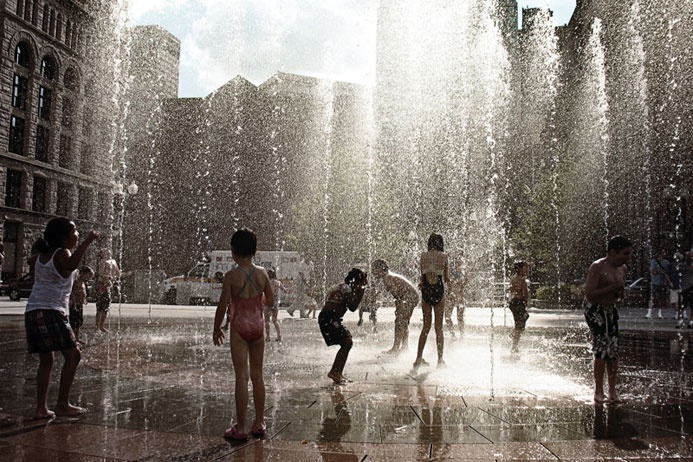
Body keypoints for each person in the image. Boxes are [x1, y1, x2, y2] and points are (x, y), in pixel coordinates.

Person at [24, 217, 99, 418]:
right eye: (74, 232)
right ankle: (62, 404)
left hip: (34, 310)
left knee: (46, 360)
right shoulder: (62, 253)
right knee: (73, 355)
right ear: (64, 238)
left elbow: (35, 270)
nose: (77, 234)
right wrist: (87, 242)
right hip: (51, 310)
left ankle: (41, 409)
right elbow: (71, 264)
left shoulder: (41, 256)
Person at [213, 228, 274, 441]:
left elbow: (222, 307)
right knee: (258, 376)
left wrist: (217, 327)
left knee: (241, 375)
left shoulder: (231, 276)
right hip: (257, 326)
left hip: (239, 328)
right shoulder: (262, 273)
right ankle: (259, 423)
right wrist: (258, 304)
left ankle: (240, 428)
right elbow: (272, 301)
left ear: (233, 251)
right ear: (255, 250)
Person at [584, 235, 633, 404]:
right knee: (601, 350)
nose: (627, 258)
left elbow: (620, 295)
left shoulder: (623, 269)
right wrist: (612, 288)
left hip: (610, 310)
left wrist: (619, 294)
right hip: (595, 310)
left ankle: (612, 391)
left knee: (613, 351)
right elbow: (589, 295)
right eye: (625, 254)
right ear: (613, 252)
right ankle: (598, 391)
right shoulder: (598, 267)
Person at [318, 268, 368, 384]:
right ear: (357, 280)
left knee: (347, 342)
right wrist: (362, 290)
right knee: (347, 342)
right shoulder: (346, 288)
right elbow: (352, 307)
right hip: (329, 318)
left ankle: (337, 372)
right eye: (363, 280)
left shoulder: (344, 286)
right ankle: (335, 372)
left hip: (330, 318)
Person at [414, 233, 450, 369]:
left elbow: (422, 278)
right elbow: (446, 278)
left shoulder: (423, 256)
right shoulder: (444, 256)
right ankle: (440, 360)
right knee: (439, 328)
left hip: (426, 290)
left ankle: (418, 359)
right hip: (438, 290)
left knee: (426, 327)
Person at [372, 259, 419, 353]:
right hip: (413, 296)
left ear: (381, 269)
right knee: (404, 322)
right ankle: (405, 347)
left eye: (374, 269)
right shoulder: (389, 276)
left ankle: (396, 348)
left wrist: (399, 305)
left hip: (408, 296)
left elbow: (396, 293)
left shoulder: (387, 278)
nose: (373, 272)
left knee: (399, 322)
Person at [95, 248, 120, 332]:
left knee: (105, 307)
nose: (108, 253)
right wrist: (109, 278)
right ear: (102, 254)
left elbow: (118, 273)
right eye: (105, 252)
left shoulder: (113, 261)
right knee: (100, 307)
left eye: (109, 252)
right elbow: (100, 274)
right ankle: (97, 326)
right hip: (102, 285)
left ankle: (101, 326)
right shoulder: (103, 262)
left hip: (108, 286)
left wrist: (114, 278)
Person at [508, 261, 530, 353]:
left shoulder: (513, 278)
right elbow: (525, 293)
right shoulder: (522, 280)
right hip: (518, 303)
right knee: (520, 323)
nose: (527, 269)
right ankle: (514, 344)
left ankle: (514, 340)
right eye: (525, 268)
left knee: (521, 322)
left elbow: (510, 289)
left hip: (513, 303)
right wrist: (525, 301)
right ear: (520, 269)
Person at [69, 266, 94, 345]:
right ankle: (72, 339)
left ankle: (76, 338)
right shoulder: (76, 281)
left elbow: (83, 292)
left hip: (80, 304)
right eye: (88, 275)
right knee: (73, 322)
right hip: (74, 305)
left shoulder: (83, 282)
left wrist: (84, 299)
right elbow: (73, 292)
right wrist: (74, 302)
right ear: (82, 273)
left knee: (78, 322)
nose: (89, 278)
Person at [445, 261, 469, 337]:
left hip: (457, 296)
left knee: (457, 317)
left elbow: (465, 282)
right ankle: (454, 334)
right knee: (448, 316)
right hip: (454, 296)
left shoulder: (462, 271)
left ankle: (460, 334)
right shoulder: (452, 271)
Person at [647, 250, 670, 319]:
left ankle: (659, 312)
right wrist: (659, 271)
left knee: (661, 298)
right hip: (654, 282)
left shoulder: (666, 262)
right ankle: (649, 312)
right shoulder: (653, 262)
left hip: (662, 283)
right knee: (652, 297)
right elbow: (652, 272)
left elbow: (667, 272)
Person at [264, 268, 283, 342]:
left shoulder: (266, 282)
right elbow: (285, 290)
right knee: (275, 321)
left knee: (267, 321)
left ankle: (268, 337)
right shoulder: (278, 282)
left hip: (267, 302)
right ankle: (279, 336)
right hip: (275, 303)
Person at [679, 251, 693, 328]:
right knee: (683, 304)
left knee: (692, 305)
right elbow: (678, 272)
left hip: (691, 286)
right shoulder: (683, 265)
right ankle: (680, 319)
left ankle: (691, 320)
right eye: (689, 256)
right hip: (685, 287)